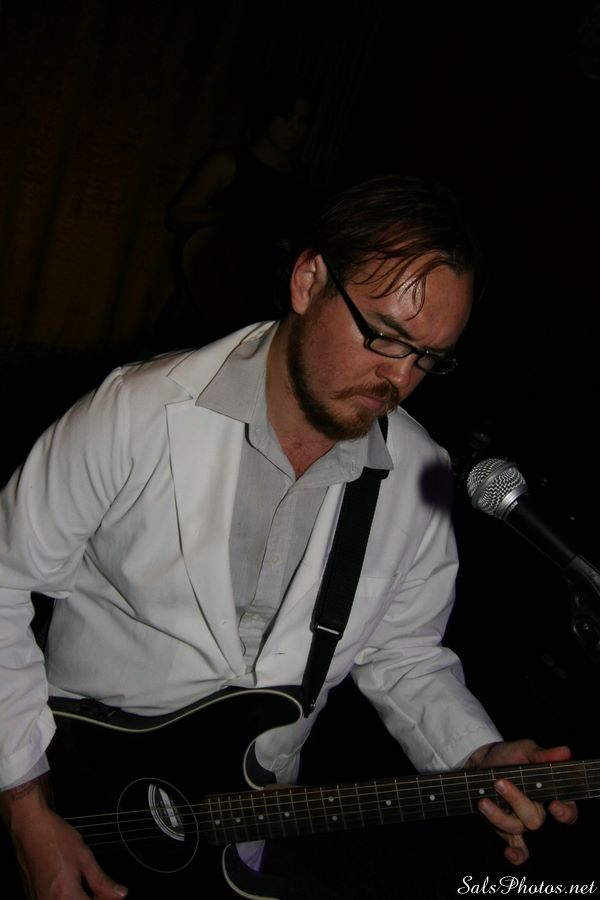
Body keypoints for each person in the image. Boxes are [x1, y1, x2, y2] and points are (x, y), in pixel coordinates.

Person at [0, 173, 577, 900]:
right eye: (386, 335)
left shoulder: (419, 476)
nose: (399, 377)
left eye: (429, 357)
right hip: (75, 787)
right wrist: (25, 807)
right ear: (309, 281)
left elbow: (403, 652)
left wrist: (477, 754)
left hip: (238, 822)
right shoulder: (135, 413)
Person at [153, 80, 317, 351]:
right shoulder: (227, 163)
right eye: (287, 117)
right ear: (266, 116)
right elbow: (178, 216)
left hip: (262, 308)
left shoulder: (303, 179)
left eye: (303, 122)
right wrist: (226, 218)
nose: (295, 129)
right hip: (211, 296)